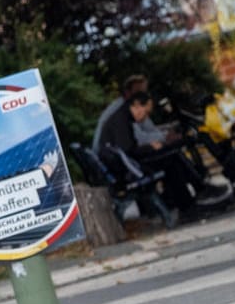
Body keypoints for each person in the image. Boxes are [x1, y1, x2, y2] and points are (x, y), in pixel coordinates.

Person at [96, 91, 225, 213]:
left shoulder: (122, 117)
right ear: (136, 105)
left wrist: (150, 147)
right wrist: (150, 147)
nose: (145, 118)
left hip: (125, 165)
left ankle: (196, 190)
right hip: (127, 170)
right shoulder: (121, 120)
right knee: (171, 159)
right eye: (145, 113)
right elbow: (128, 150)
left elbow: (128, 149)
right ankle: (189, 203)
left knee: (172, 154)